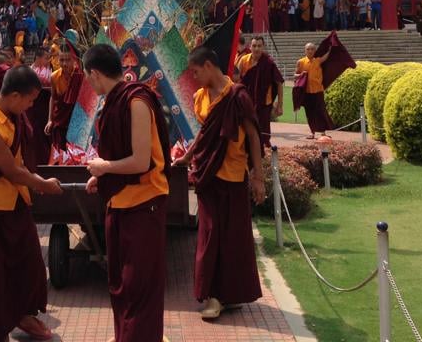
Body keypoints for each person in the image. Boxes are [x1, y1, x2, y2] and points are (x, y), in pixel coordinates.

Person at [0, 66, 62, 341]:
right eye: (30, 100)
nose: (31, 106)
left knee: (28, 267)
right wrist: (44, 185)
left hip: (15, 203)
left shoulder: (12, 115)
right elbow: (13, 171)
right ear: (15, 96)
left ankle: (22, 315)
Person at [83, 44, 171, 342]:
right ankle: (126, 335)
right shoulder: (113, 101)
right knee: (120, 283)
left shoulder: (136, 101)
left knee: (140, 286)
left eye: (87, 78)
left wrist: (105, 167)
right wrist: (104, 177)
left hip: (144, 204)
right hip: (119, 203)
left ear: (94, 74)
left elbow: (140, 161)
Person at [177, 47, 265, 320]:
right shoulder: (200, 97)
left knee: (234, 236)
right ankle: (213, 295)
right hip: (208, 175)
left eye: (195, 71)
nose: (194, 77)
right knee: (210, 234)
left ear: (208, 66)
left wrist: (258, 177)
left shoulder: (238, 95)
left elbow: (253, 135)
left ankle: (231, 294)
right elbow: (204, 134)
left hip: (234, 175)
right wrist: (187, 157)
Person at [235, 35, 284, 152]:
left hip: (264, 103)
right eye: (254, 46)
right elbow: (235, 80)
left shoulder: (268, 62)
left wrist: (280, 105)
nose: (256, 49)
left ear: (263, 47)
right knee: (245, 128)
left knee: (263, 132)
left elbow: (279, 83)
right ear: (250, 47)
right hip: (246, 102)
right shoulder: (243, 60)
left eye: (259, 46)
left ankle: (263, 154)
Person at [44, 41, 84, 153]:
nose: (65, 64)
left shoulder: (80, 76)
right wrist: (50, 120)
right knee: (60, 153)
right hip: (60, 122)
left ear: (74, 60)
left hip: (76, 122)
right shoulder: (54, 76)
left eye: (68, 60)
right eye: (62, 60)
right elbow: (53, 98)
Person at [294, 43, 334, 139]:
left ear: (315, 51)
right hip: (307, 92)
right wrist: (300, 75)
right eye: (308, 49)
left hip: (318, 91)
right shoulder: (301, 62)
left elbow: (326, 57)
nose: (310, 51)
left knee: (321, 112)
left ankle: (323, 133)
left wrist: (331, 49)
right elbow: (295, 75)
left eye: (312, 49)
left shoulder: (318, 61)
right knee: (310, 113)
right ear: (305, 50)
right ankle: (312, 133)